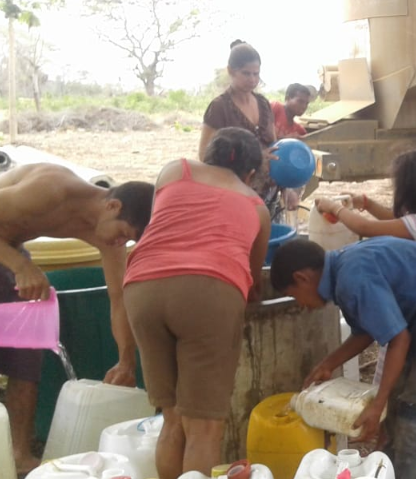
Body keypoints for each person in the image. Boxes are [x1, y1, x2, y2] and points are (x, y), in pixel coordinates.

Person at [124, 128, 271, 478]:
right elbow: (251, 283)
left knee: (172, 418)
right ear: (250, 174)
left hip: (142, 287)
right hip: (209, 292)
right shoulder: (256, 206)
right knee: (203, 428)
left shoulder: (175, 170)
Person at [269, 237, 416, 479]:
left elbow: (399, 339)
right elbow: (366, 330)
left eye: (296, 297)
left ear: (301, 278)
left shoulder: (353, 278)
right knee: (397, 405)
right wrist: (328, 364)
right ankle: (387, 471)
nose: (302, 305)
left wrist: (377, 405)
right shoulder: (342, 271)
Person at [0, 165, 153, 474]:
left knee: (29, 348)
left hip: (9, 248)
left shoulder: (108, 238)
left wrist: (126, 360)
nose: (119, 243)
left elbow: (119, 300)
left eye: (128, 240)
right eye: (123, 234)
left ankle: (18, 455)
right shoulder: (49, 190)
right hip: (9, 253)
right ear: (112, 206)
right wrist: (19, 266)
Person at [315, 147, 416, 477]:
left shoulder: (415, 225)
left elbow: (368, 229)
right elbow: (388, 222)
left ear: (410, 189)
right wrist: (366, 200)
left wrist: (335, 207)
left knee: (405, 398)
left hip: (412, 327)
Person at [199, 40, 299, 220]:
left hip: (268, 195)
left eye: (256, 74)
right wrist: (255, 159)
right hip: (234, 196)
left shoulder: (263, 104)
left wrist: (286, 188)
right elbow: (204, 158)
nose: (252, 80)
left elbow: (277, 151)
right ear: (231, 71)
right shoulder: (219, 108)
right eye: (246, 74)